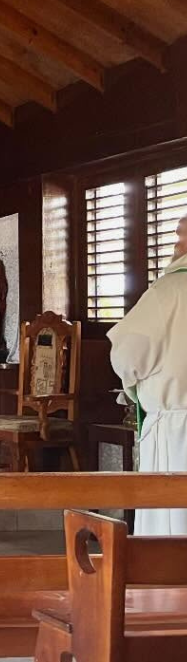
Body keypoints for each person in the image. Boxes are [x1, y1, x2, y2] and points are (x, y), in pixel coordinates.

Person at [108, 212, 187, 535]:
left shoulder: (170, 290)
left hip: (178, 431)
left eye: (180, 234)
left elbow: (128, 354)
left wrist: (132, 385)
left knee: (173, 528)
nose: (175, 242)